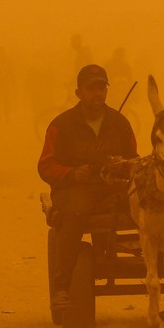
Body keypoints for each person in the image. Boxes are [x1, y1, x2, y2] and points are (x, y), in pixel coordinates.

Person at [38, 64, 138, 307]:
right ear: (79, 92)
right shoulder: (61, 125)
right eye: (91, 88)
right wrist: (72, 174)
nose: (97, 94)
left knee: (150, 203)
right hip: (75, 190)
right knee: (77, 213)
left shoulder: (120, 122)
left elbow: (134, 160)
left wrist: (122, 166)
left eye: (101, 88)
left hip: (113, 188)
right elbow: (45, 166)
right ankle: (62, 286)